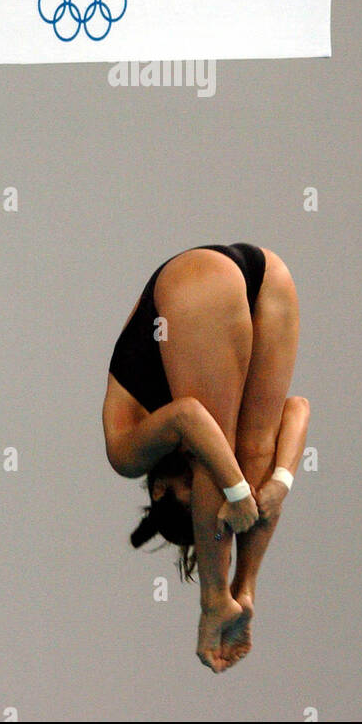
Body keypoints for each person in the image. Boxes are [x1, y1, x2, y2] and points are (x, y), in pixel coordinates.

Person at [102, 243, 310, 672]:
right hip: (268, 274)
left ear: (159, 489)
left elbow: (190, 417)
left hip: (196, 281)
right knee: (255, 457)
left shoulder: (126, 453)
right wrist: (279, 485)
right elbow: (298, 409)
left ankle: (215, 600)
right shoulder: (184, 461)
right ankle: (244, 591)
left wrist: (234, 493)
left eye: (194, 499)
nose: (205, 498)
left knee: (218, 461)